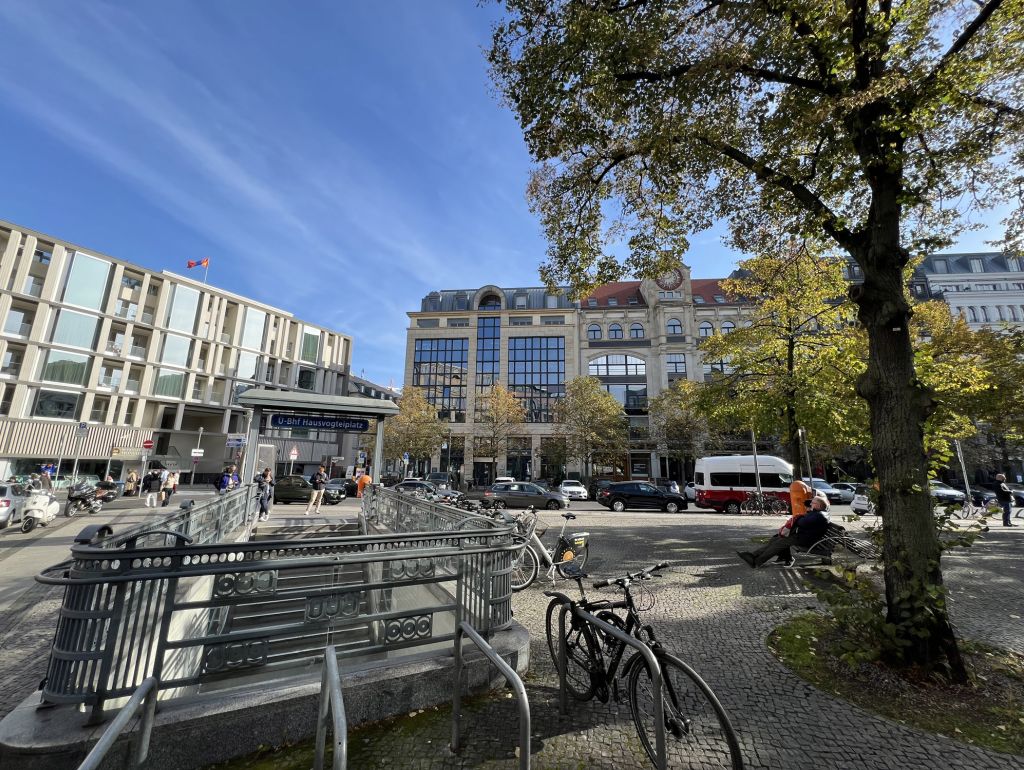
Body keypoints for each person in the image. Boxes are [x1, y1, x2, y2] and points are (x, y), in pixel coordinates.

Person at [738, 496, 831, 568]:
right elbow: (803, 520)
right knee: (776, 539)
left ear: (818, 506)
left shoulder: (820, 515)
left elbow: (802, 522)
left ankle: (757, 561)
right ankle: (753, 555)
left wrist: (799, 518)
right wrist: (802, 517)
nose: (811, 504)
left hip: (806, 540)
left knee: (779, 543)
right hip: (802, 536)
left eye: (813, 503)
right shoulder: (818, 513)